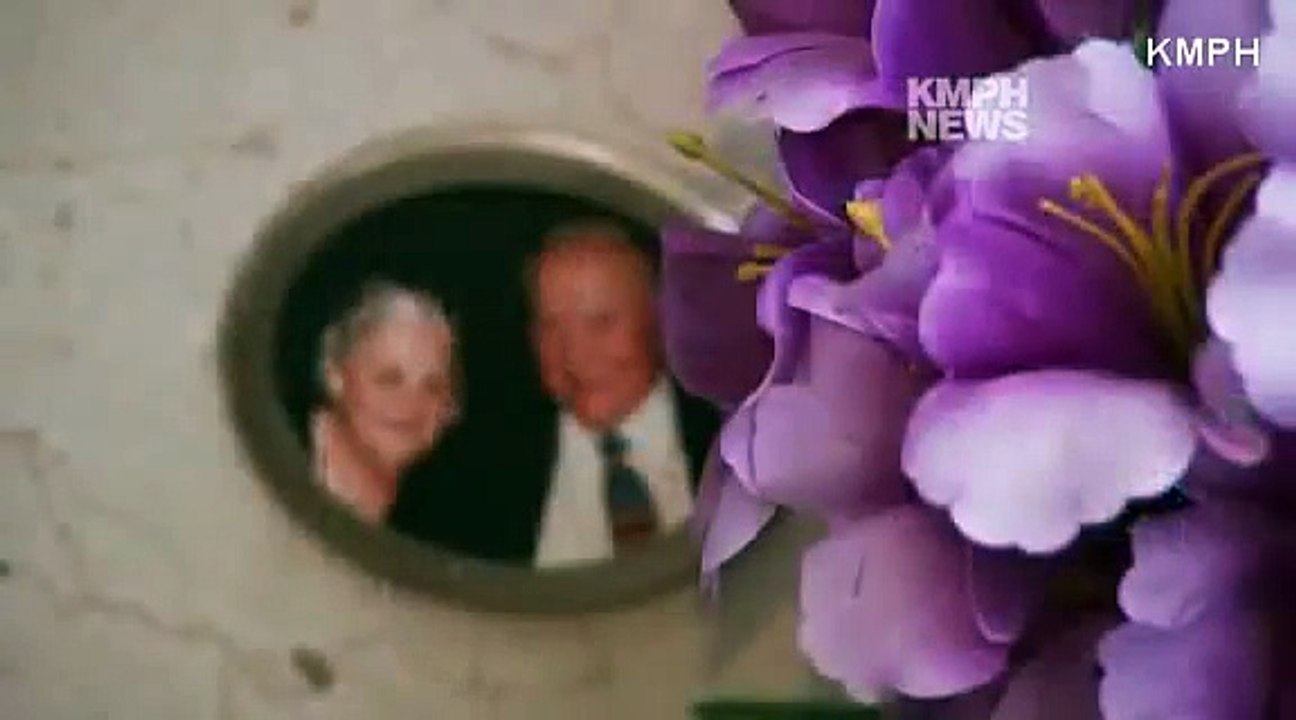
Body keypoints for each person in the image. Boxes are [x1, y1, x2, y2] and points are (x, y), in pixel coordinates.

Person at [527, 220, 715, 568]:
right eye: (550, 327)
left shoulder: (740, 432)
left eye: (600, 323)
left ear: (660, 319)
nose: (574, 355)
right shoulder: (483, 467)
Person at [311, 282, 461, 523]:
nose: (410, 404)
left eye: (432, 387)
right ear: (335, 377)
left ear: (449, 407)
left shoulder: (439, 513)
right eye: (389, 380)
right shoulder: (275, 467)